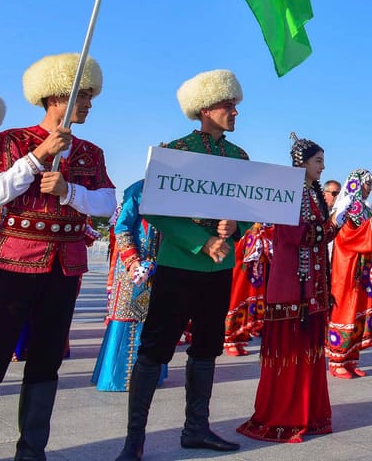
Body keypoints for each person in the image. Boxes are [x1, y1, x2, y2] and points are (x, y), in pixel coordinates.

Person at [116, 68, 249, 461]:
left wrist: (236, 225)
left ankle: (196, 428)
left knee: (207, 348)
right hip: (178, 265)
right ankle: (134, 438)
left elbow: (252, 206)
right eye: (229, 106)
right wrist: (201, 240)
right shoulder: (175, 152)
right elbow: (153, 209)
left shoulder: (239, 157)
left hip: (220, 269)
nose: (236, 113)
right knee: (156, 348)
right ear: (206, 109)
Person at [0, 53, 115, 461]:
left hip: (65, 267)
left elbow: (107, 204)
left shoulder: (91, 152)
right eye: (81, 96)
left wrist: (69, 192)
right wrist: (37, 157)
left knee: (46, 361)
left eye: (90, 96)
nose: (89, 104)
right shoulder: (11, 141)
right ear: (54, 98)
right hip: (12, 262)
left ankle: (32, 452)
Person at [237, 133, 336, 443]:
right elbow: (296, 236)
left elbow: (317, 236)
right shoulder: (288, 192)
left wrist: (330, 227)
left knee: (309, 350)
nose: (323, 166)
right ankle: (284, 415)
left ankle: (308, 413)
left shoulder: (314, 195)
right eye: (317, 161)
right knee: (290, 350)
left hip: (312, 287)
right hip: (291, 285)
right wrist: (333, 225)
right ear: (302, 163)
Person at [92, 181, 168, 392]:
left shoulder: (175, 192)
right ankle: (118, 378)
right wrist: (133, 261)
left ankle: (150, 376)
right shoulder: (138, 190)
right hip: (132, 268)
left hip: (160, 268)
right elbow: (123, 228)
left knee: (154, 318)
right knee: (126, 314)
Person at [328, 169, 372, 378]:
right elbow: (346, 236)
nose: (369, 189)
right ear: (357, 184)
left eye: (370, 185)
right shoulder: (347, 206)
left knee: (359, 307)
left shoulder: (366, 210)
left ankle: (351, 358)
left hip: (363, 268)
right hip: (347, 266)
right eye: (367, 184)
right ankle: (337, 359)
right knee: (345, 309)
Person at [222, 222, 272, 356]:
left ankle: (241, 336)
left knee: (254, 292)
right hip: (243, 244)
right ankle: (229, 337)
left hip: (259, 248)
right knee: (237, 291)